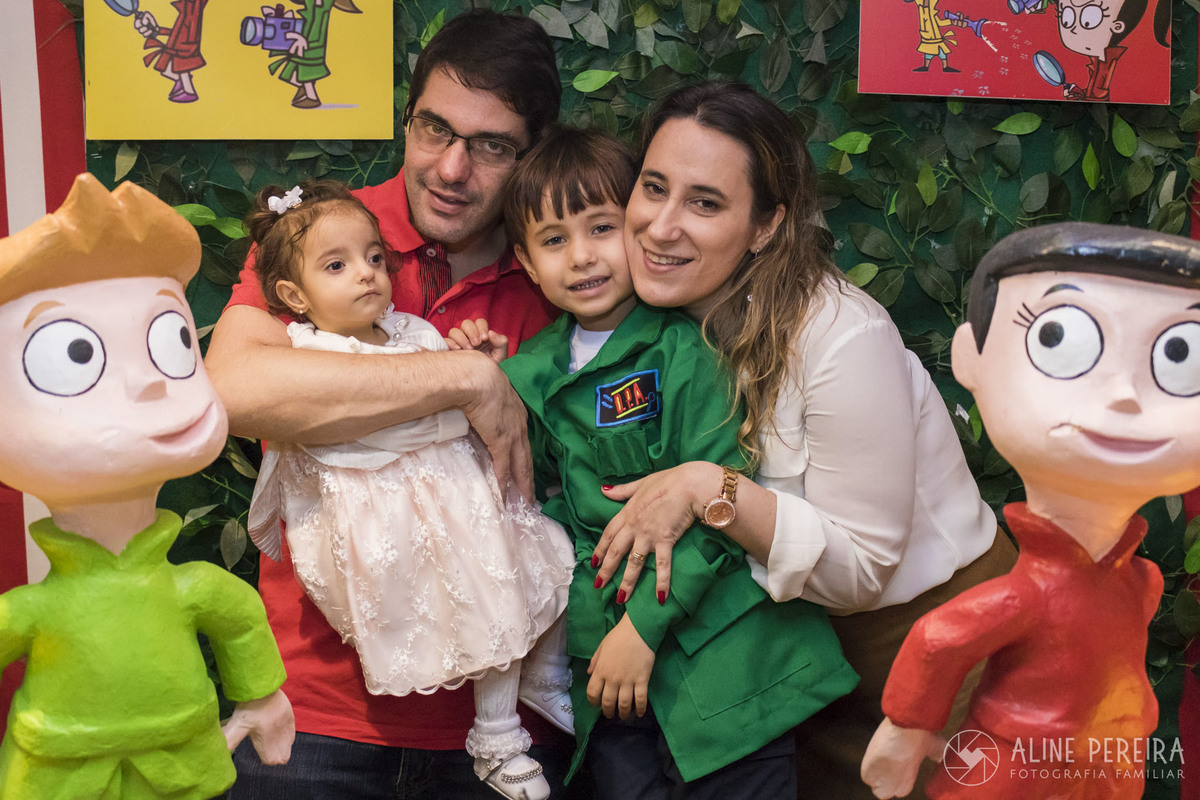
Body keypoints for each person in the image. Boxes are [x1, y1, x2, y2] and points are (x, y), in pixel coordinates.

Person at [589, 81, 1016, 799]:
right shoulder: (650, 316)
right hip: (785, 671)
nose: (661, 226)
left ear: (764, 226)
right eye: (653, 188)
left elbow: (862, 570)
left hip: (935, 655)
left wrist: (707, 489)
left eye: (705, 203)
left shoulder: (843, 336)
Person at [203, 9, 572, 797]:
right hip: (313, 715)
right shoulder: (323, 235)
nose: (450, 168)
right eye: (434, 129)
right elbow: (235, 392)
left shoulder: (569, 268)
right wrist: (464, 380)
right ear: (407, 119)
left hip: (496, 733)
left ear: (532, 155)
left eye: (491, 146)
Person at [491, 126, 857, 799]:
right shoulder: (526, 372)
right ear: (525, 260)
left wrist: (641, 630)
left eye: (601, 228)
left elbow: (724, 501)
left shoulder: (686, 351)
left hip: (726, 668)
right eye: (553, 240)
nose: (581, 258)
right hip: (608, 675)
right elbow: (529, 498)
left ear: (634, 227)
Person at [243, 180, 576, 799]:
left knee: (534, 555)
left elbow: (478, 414)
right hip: (370, 524)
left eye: (375, 258)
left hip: (453, 504)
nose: (367, 274)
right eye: (338, 266)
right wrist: (455, 393)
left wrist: (481, 371)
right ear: (293, 294)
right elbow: (338, 436)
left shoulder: (414, 332)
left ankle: (509, 717)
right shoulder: (301, 348)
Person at [861, 222, 1200, 799]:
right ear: (973, 359)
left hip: (1112, 761)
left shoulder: (1138, 582)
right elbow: (940, 639)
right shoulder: (1027, 596)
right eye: (1059, 339)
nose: (1123, 393)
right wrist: (905, 731)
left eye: (1181, 356)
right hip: (1015, 770)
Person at [0, 173, 293, 797]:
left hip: (186, 766)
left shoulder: (189, 588)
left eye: (172, 342)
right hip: (56, 776)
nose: (148, 383)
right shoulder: (29, 613)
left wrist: (263, 700)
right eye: (73, 355)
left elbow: (239, 619)